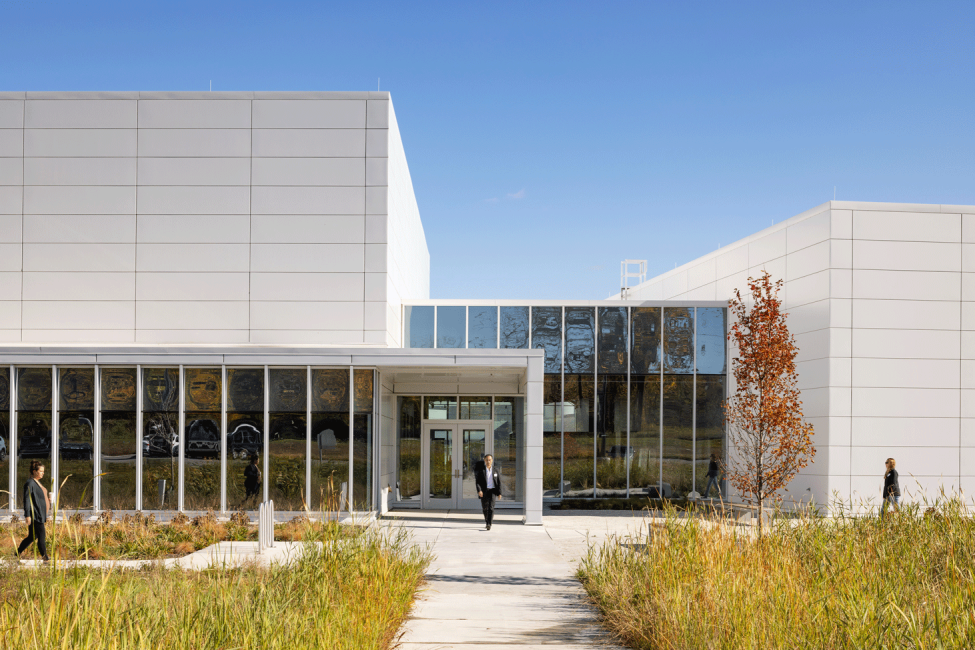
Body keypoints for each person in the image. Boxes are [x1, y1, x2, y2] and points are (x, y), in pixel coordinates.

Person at [18, 460, 50, 562]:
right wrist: (27, 515)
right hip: (35, 514)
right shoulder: (30, 483)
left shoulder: (37, 482)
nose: (43, 473)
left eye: (43, 471)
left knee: (32, 537)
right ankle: (45, 559)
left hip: (40, 514)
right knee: (41, 535)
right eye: (41, 471)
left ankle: (16, 554)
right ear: (34, 471)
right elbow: (27, 500)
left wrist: (48, 500)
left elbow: (39, 498)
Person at [474, 454, 502, 530]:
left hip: (493, 491)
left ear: (492, 460)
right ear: (484, 460)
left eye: (490, 460)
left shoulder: (496, 470)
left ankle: (489, 523)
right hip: (484, 491)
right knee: (485, 508)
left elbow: (499, 482)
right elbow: (478, 482)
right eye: (487, 460)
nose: (488, 461)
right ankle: (487, 521)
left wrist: (499, 493)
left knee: (491, 508)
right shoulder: (481, 470)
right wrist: (479, 490)